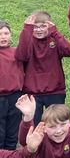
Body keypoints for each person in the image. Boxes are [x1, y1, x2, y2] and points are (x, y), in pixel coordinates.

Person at [15, 12, 70, 125]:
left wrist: (55, 32)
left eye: (43, 26)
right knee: (35, 126)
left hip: (55, 90)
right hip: (32, 91)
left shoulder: (55, 39)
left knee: (57, 124)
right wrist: (26, 31)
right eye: (35, 27)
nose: (39, 30)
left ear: (49, 26)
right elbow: (20, 56)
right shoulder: (28, 41)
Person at [15, 89, 70, 158]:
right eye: (52, 127)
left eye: (63, 124)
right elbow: (25, 142)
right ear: (44, 127)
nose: (58, 131)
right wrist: (28, 117)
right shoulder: (41, 137)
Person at [0, 21, 23, 150]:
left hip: (15, 96)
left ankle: (10, 153)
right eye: (0, 34)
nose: (3, 37)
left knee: (13, 131)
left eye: (6, 33)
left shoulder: (16, 53)